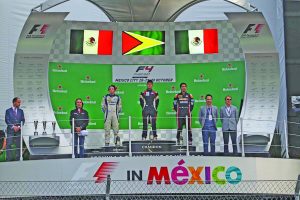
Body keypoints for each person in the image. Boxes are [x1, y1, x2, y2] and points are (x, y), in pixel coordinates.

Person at [5, 97, 25, 161]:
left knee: (19, 145)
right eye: (18, 102)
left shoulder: (21, 111)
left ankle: (18, 159)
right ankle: (9, 159)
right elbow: (7, 120)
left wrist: (19, 127)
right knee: (8, 145)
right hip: (10, 131)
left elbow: (23, 120)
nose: (19, 104)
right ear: (14, 102)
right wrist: (13, 127)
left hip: (18, 131)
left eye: (20, 102)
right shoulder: (8, 111)